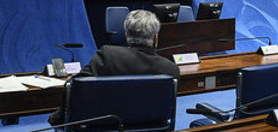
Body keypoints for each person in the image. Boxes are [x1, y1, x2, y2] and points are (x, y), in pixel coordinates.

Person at [47, 10, 179, 125]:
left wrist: (58, 116)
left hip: (107, 127)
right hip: (153, 128)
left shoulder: (108, 55)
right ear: (156, 38)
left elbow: (73, 86)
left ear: (127, 36)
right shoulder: (171, 69)